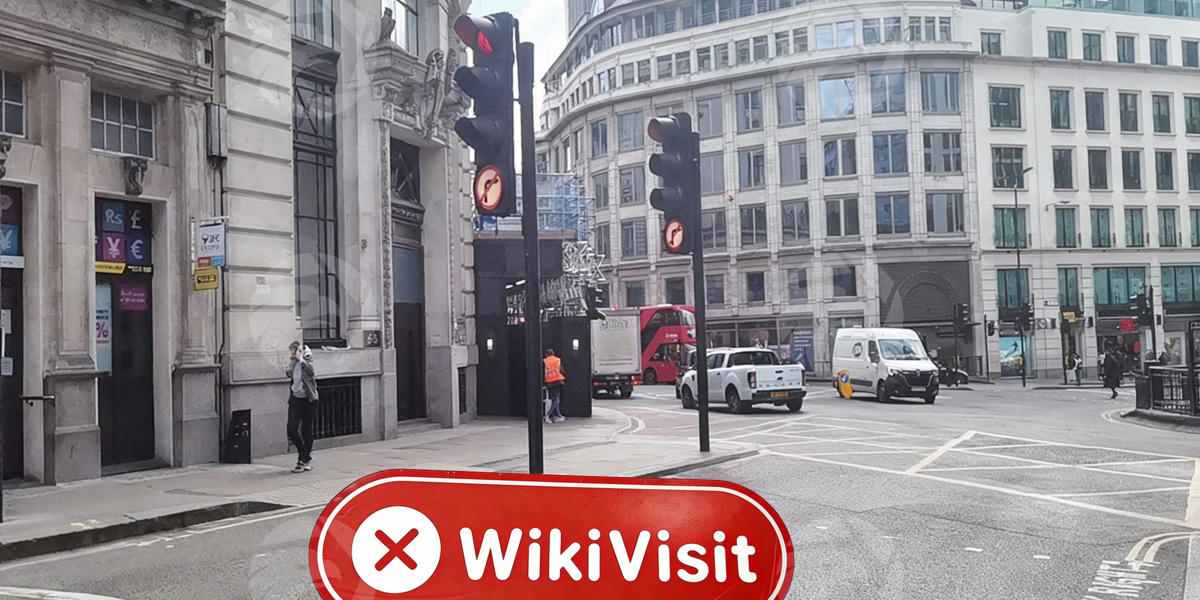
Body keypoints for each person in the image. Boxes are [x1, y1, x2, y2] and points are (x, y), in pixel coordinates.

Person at [285, 341, 318, 473]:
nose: (293, 353)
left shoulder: (308, 359)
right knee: (291, 429)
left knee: (306, 430)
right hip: (295, 399)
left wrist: (301, 359)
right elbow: (288, 373)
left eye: (295, 350)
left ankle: (303, 460)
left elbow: (311, 371)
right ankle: (304, 453)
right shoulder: (294, 361)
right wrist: (293, 361)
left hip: (308, 399)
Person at [543, 349, 566, 423]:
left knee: (554, 399)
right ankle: (548, 415)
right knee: (556, 399)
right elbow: (562, 370)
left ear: (547, 354)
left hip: (549, 381)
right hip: (557, 381)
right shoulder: (558, 360)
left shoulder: (545, 361)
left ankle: (558, 415)